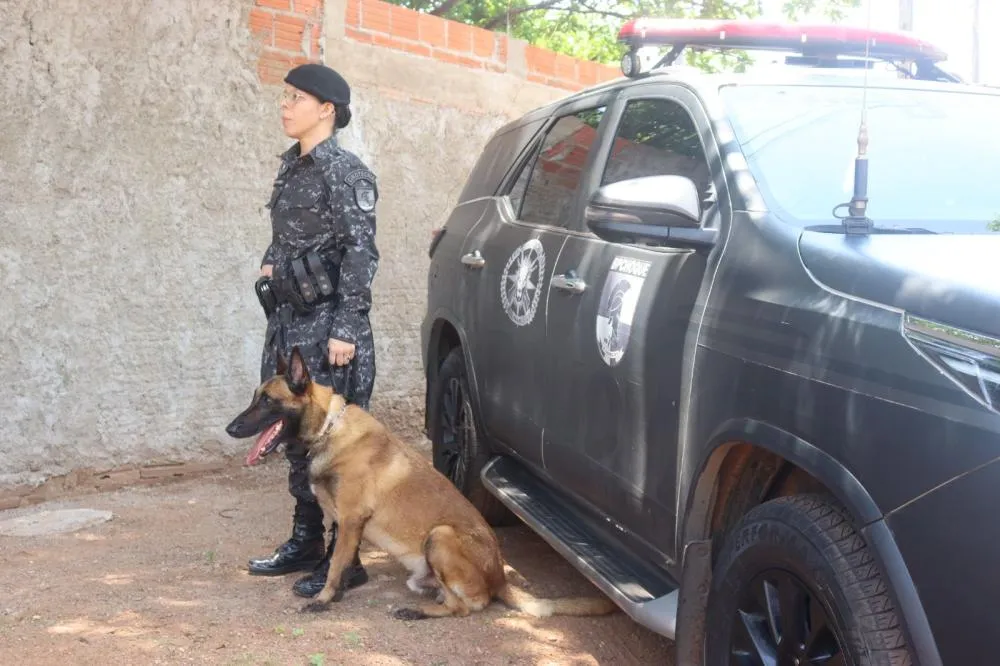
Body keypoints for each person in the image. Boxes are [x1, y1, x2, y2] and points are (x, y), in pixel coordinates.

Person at [247, 63, 379, 599]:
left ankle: (343, 558)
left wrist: (345, 328)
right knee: (295, 435)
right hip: (289, 324)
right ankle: (304, 540)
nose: (285, 105)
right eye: (285, 96)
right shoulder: (292, 167)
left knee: (336, 444)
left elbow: (360, 253)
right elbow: (290, 240)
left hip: (329, 329)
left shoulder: (346, 173)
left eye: (296, 97)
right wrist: (269, 266)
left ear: (327, 108)